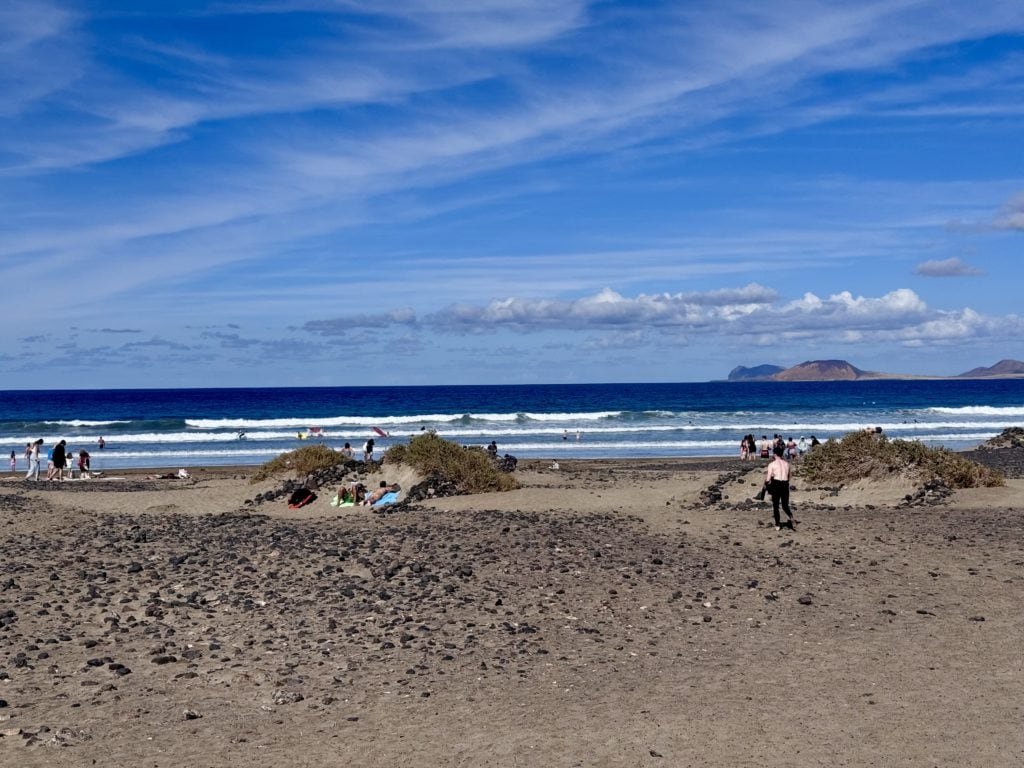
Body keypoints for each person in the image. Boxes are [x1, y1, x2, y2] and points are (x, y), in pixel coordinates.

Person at [765, 445, 794, 531]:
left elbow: (768, 478)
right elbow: (789, 476)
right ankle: (790, 516)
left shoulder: (772, 464)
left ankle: (778, 524)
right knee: (785, 505)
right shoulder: (786, 464)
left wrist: (766, 486)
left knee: (776, 505)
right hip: (785, 484)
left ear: (774, 454)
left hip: (776, 484)